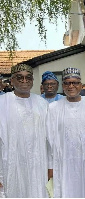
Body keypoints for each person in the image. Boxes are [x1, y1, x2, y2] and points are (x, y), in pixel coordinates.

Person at [47, 67, 85, 198]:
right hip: (63, 166)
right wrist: (50, 167)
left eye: (75, 82)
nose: (71, 86)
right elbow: (49, 141)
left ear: (81, 85)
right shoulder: (53, 109)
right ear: (63, 86)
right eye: (67, 83)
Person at [0, 64, 49, 197]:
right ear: (12, 80)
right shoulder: (2, 103)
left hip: (38, 164)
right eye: (19, 77)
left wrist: (50, 167)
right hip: (9, 164)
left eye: (28, 78)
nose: (24, 81)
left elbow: (48, 140)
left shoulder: (42, 104)